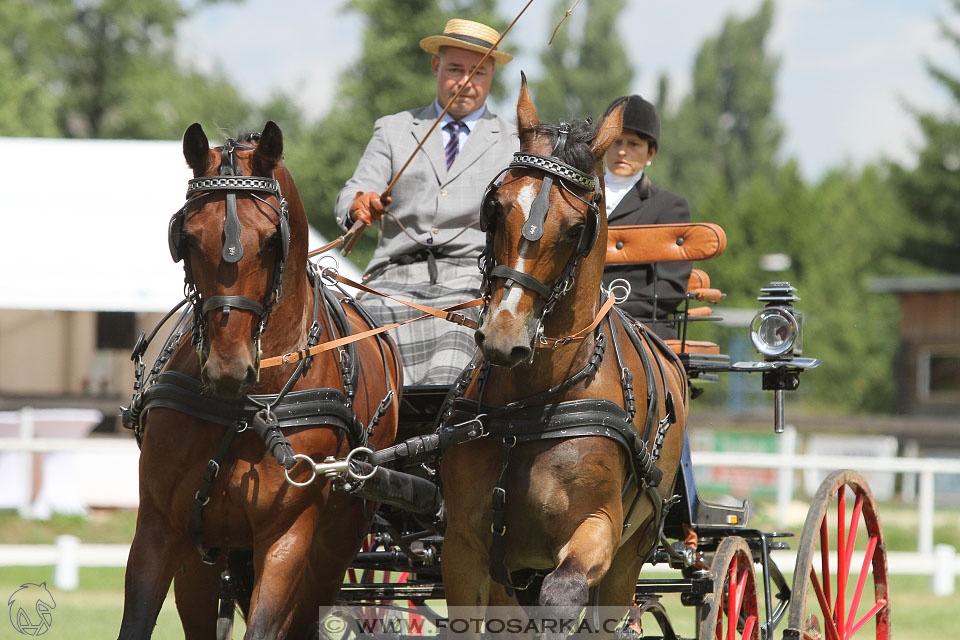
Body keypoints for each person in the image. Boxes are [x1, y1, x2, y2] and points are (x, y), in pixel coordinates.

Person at [335, 19, 518, 386]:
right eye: (455, 69)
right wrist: (360, 203)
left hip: (472, 277)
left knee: (460, 332)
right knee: (354, 335)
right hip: (391, 278)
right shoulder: (394, 129)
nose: (465, 82)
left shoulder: (514, 141)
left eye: (478, 72)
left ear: (492, 75)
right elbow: (353, 191)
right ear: (436, 67)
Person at [601, 94, 692, 339]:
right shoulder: (579, 200)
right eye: (616, 141)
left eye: (634, 144)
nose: (622, 151)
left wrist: (607, 310)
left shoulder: (669, 207)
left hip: (639, 325)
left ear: (650, 153)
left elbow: (670, 287)